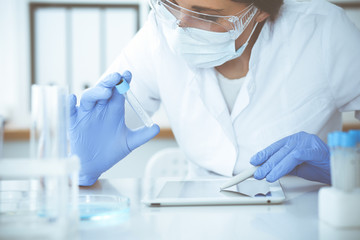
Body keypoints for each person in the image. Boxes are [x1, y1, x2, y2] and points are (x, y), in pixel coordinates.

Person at [69, 0, 360, 186]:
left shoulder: (323, 30)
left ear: (258, 11)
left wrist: (349, 169)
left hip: (303, 218)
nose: (180, 26)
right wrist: (77, 160)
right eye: (172, 4)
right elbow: (104, 117)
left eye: (206, 14)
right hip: (199, 217)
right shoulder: (159, 33)